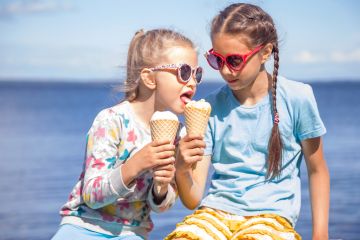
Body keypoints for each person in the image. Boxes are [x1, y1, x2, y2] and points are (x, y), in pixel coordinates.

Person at [166, 3, 329, 240]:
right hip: (214, 213)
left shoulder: (297, 98)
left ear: (265, 52)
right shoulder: (209, 108)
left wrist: (320, 234)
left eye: (234, 60)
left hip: (271, 217)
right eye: (217, 60)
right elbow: (192, 200)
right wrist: (181, 167)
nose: (225, 70)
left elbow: (318, 170)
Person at [51, 28, 203, 240]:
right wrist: (136, 164)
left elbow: (161, 207)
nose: (193, 82)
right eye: (184, 72)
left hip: (133, 232)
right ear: (150, 78)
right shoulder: (112, 121)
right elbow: (92, 195)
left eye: (198, 74)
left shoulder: (179, 135)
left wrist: (161, 187)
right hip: (83, 225)